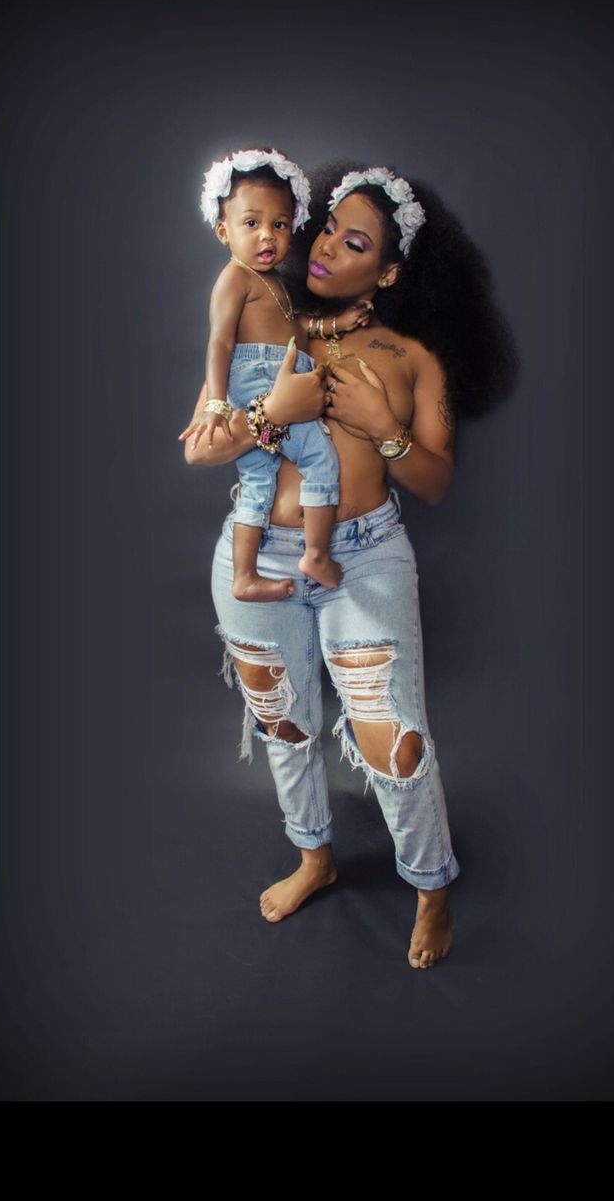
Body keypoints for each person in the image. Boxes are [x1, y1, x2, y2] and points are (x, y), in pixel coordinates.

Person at [180, 158, 518, 969]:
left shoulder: (410, 357)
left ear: (391, 268)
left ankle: (431, 886)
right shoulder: (266, 315)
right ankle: (314, 856)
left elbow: (433, 478)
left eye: (355, 240)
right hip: (258, 549)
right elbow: (201, 448)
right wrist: (272, 409)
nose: (326, 246)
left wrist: (383, 426)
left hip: (362, 558)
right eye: (327, 226)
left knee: (390, 737)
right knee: (283, 719)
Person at [183, 145, 371, 602]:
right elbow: (221, 342)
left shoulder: (273, 282)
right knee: (321, 461)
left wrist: (333, 324)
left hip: (274, 371)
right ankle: (316, 554)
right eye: (252, 224)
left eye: (280, 224)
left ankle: (244, 575)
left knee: (258, 483)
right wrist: (215, 402)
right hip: (263, 380)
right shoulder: (235, 277)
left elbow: (293, 326)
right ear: (223, 230)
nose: (267, 235)